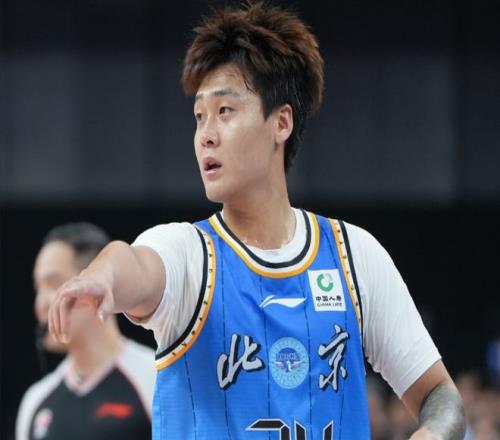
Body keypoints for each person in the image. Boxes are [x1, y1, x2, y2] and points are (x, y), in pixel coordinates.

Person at [47, 3, 466, 439]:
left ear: (281, 122)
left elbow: (442, 397)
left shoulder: (355, 256)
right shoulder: (189, 254)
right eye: (199, 117)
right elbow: (132, 264)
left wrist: (432, 435)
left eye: (225, 111)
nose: (206, 135)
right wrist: (100, 277)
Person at [16, 223, 155, 440]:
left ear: (96, 284)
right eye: (38, 288)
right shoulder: (36, 400)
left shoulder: (154, 378)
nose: (41, 304)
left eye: (54, 284)